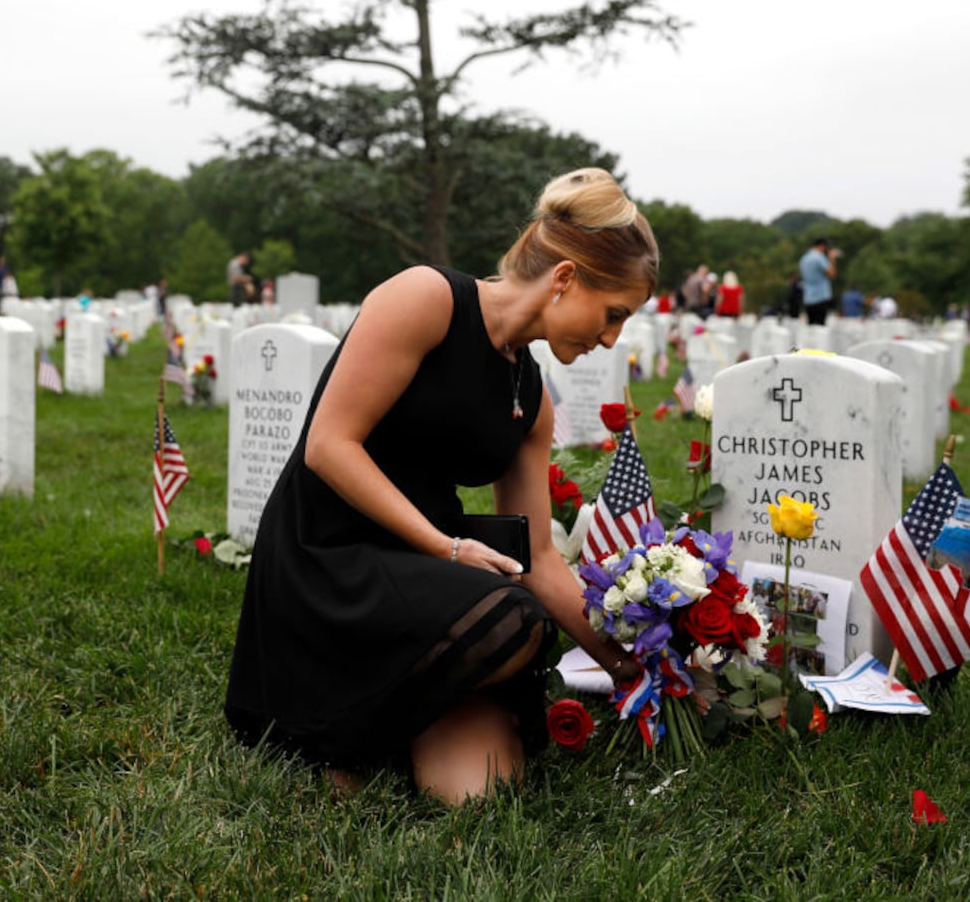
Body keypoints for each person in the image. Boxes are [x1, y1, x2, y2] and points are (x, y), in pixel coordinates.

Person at [224, 167, 655, 805]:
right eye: (613, 313)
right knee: (517, 617)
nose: (611, 338)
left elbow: (537, 556)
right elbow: (328, 446)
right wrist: (444, 548)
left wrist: (632, 660)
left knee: (478, 793)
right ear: (565, 279)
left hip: (423, 581)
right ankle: (337, 730)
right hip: (330, 556)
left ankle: (388, 725)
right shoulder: (427, 298)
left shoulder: (531, 398)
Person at [798, 237, 838, 326]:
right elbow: (831, 274)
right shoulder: (819, 258)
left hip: (808, 297)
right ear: (822, 246)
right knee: (820, 328)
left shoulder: (804, 258)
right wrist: (832, 259)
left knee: (811, 328)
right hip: (821, 297)